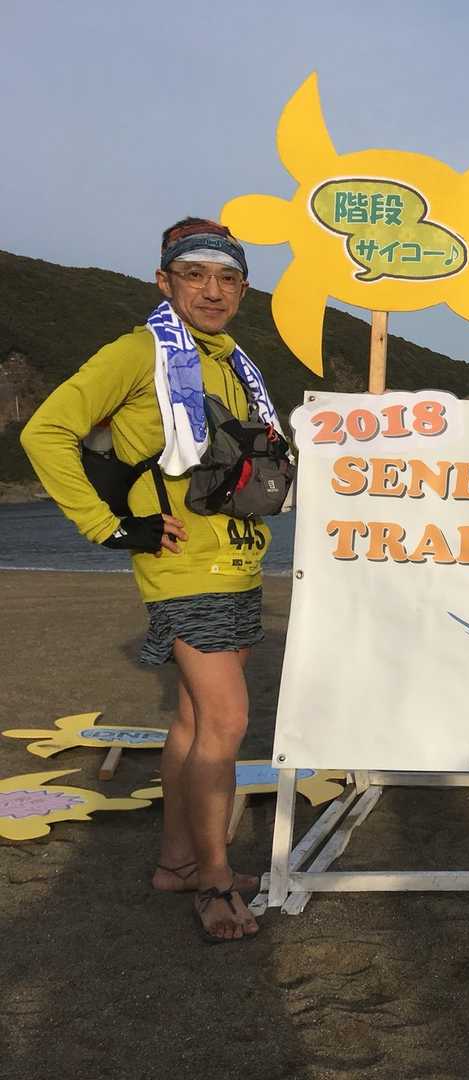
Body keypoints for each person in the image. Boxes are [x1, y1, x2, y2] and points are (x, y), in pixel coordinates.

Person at [21, 219, 281, 943]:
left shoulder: (234, 364)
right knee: (227, 725)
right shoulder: (140, 352)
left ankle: (178, 862)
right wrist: (110, 527)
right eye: (195, 275)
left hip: (238, 560)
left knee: (195, 722)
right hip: (184, 567)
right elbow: (45, 432)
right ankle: (216, 881)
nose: (212, 291)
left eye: (227, 278)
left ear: (242, 290)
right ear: (164, 282)